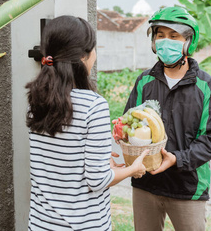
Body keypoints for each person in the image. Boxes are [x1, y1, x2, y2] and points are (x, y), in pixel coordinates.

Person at [25, 15, 148, 231]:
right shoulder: (94, 105)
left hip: (40, 224)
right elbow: (97, 180)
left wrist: (100, 161)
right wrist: (133, 169)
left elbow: (57, 164)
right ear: (83, 56)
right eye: (94, 49)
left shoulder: (36, 100)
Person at [123, 7, 211, 231]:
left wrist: (176, 159)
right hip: (145, 184)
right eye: (160, 35)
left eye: (174, 36)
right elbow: (130, 122)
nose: (166, 41)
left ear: (188, 41)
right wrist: (122, 131)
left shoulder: (206, 87)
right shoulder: (144, 81)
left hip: (187, 188)